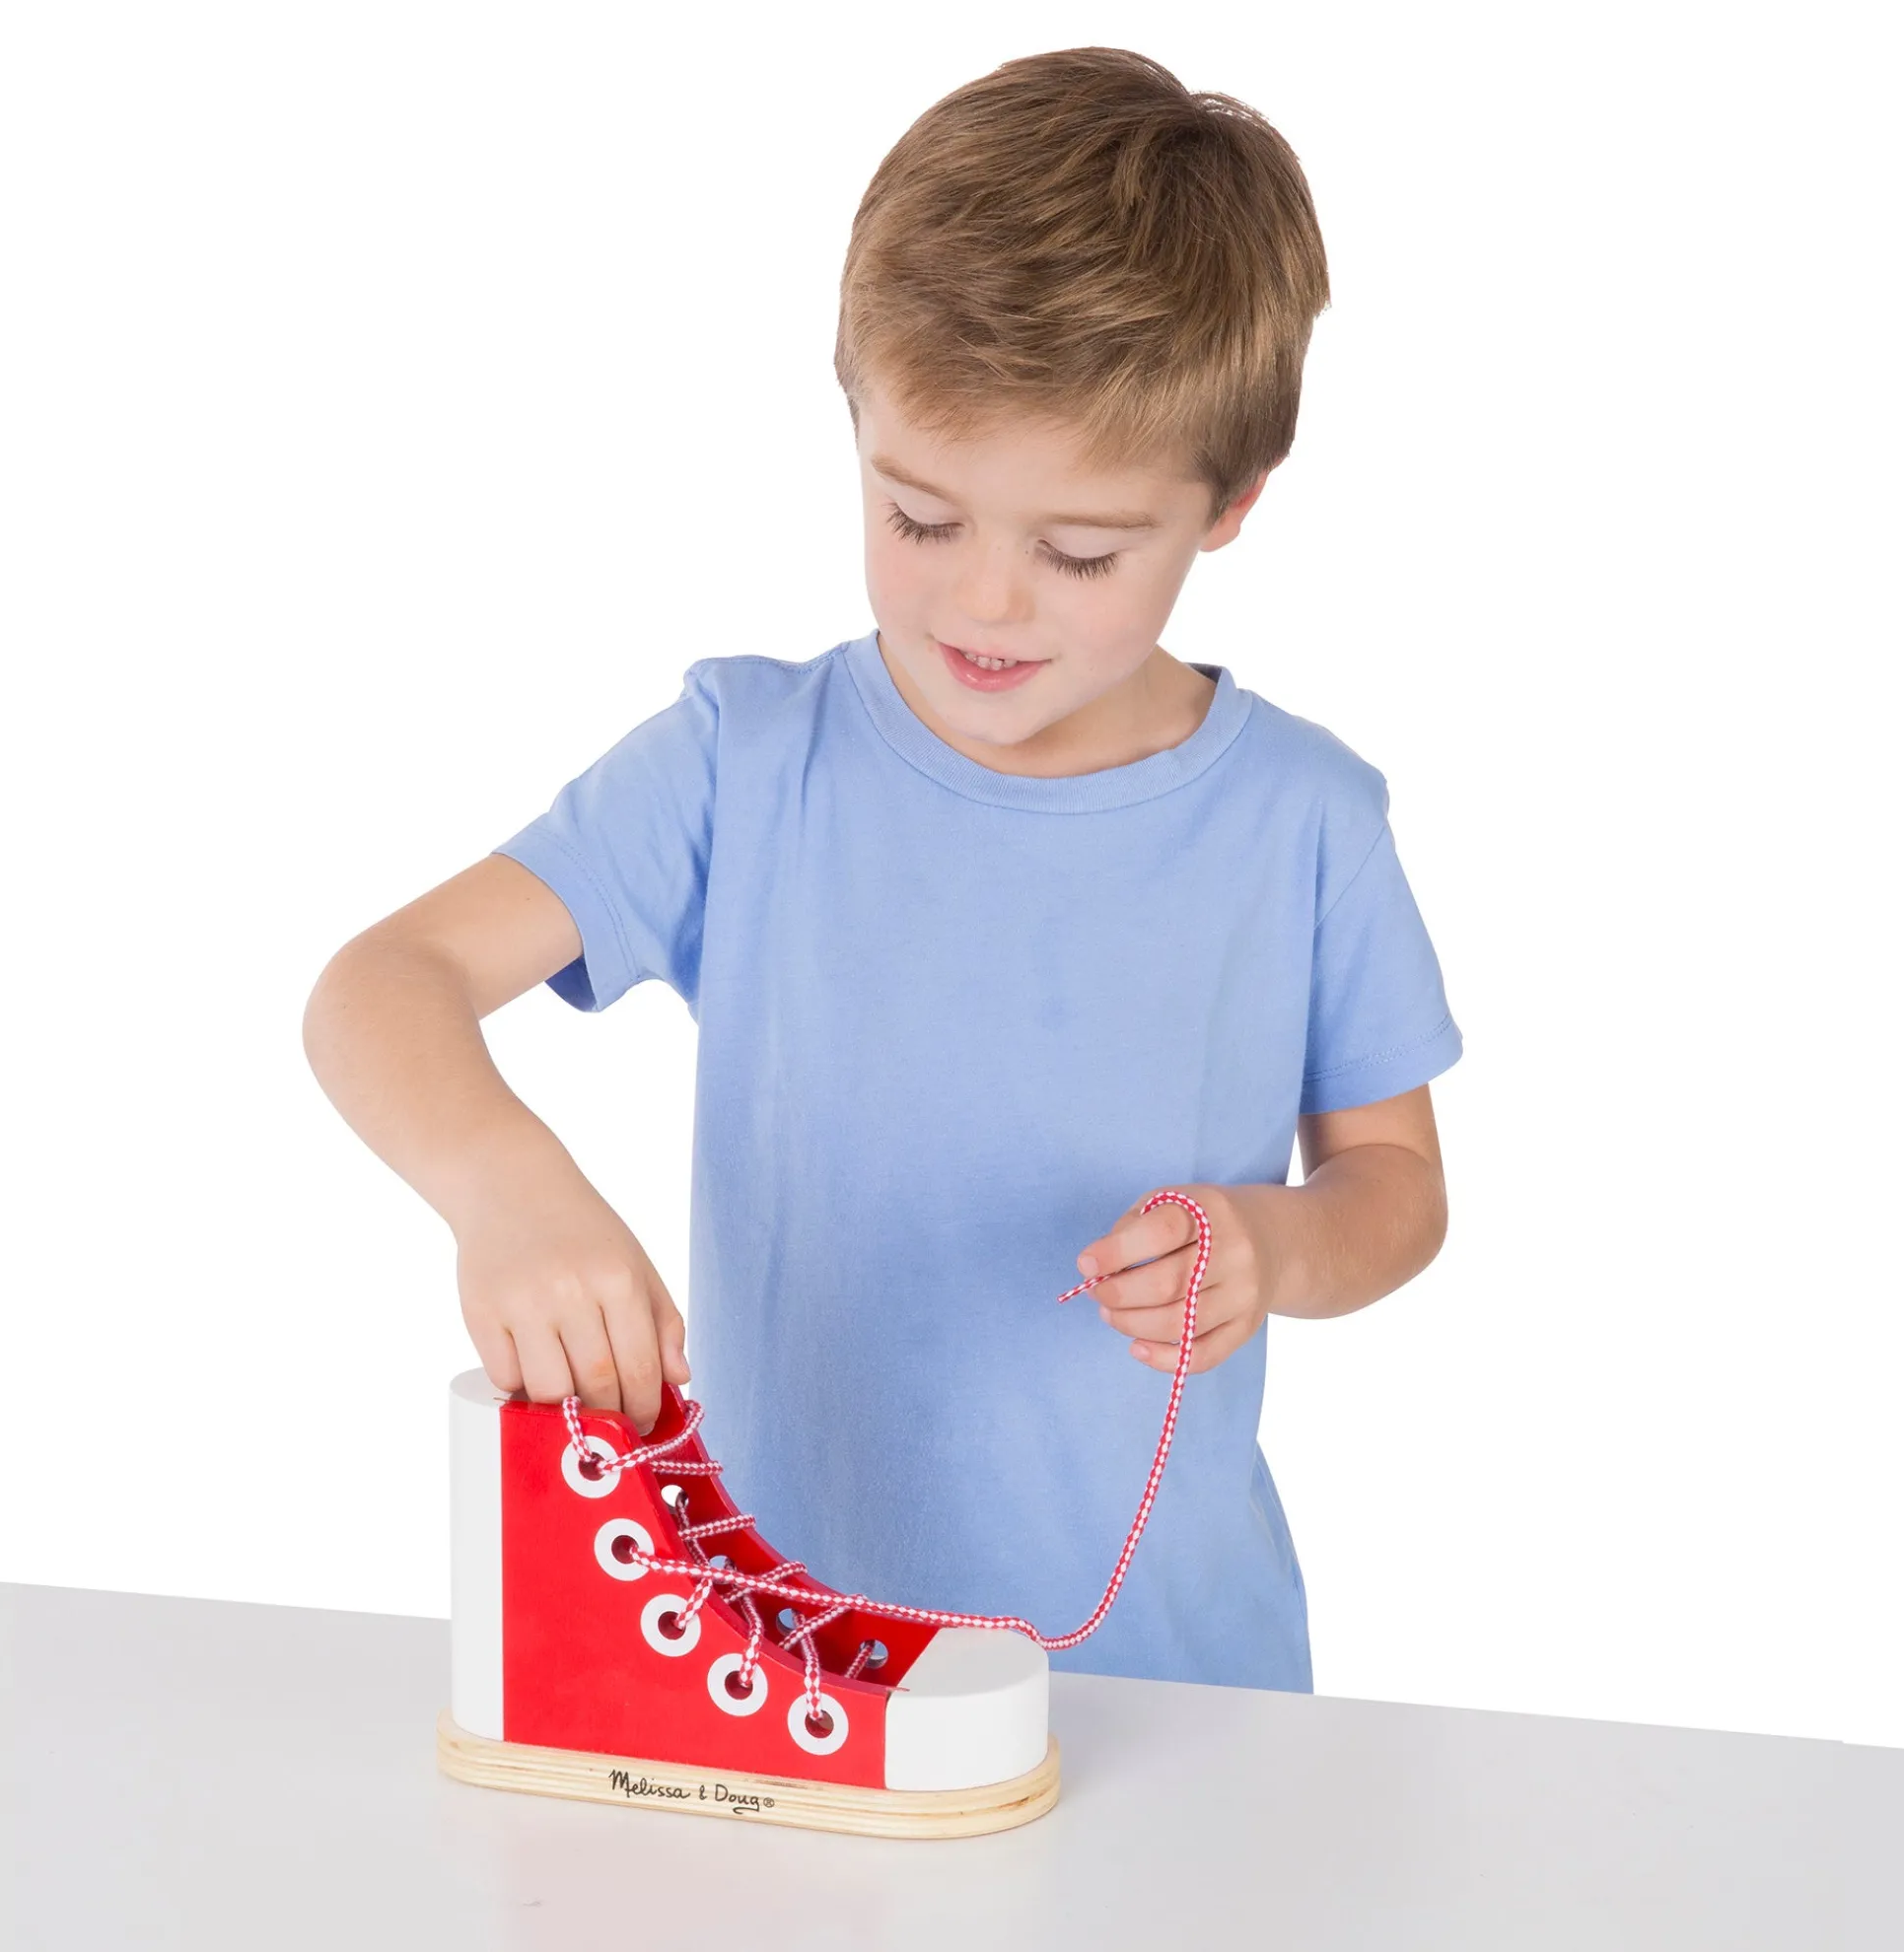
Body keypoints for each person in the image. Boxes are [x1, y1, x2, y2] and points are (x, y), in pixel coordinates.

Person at [303, 46, 1461, 1692]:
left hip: (1179, 1694)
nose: (985, 602)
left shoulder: (1306, 819)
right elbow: (380, 987)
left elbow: (1396, 1187)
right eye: (921, 517)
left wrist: (1273, 1249)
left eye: (1079, 551)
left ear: (1232, 505)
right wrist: (507, 1188)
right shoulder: (745, 760)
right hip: (789, 1687)